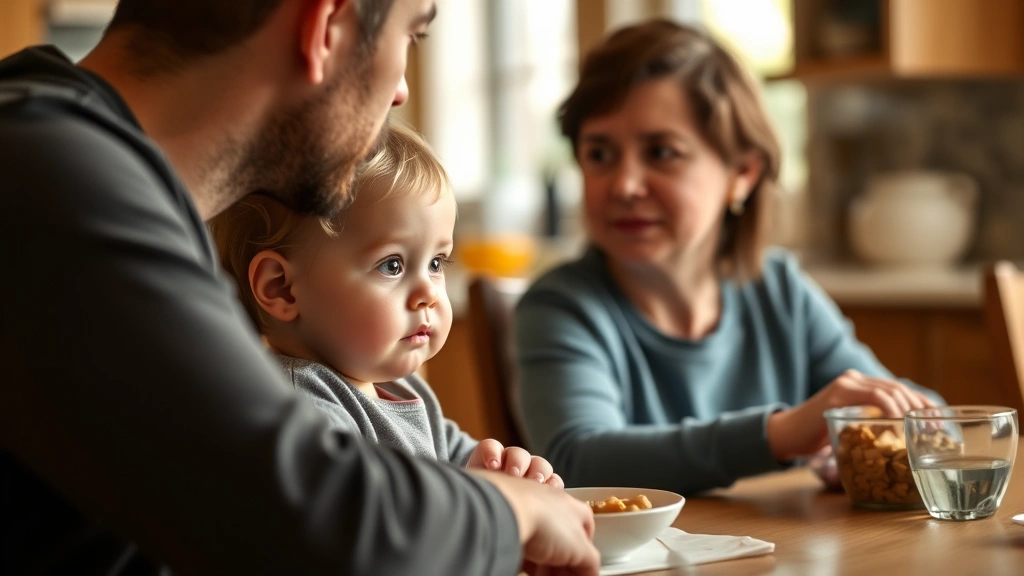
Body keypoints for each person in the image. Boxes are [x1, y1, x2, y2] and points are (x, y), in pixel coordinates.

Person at [0, 1, 598, 575]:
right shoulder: (47, 179)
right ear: (326, 25)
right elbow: (314, 524)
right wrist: (513, 511)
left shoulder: (82, 168)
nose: (400, 93)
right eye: (409, 37)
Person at [514, 19, 941, 495]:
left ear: (742, 173)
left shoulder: (779, 290)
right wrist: (779, 433)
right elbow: (577, 458)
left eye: (660, 152)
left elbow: (915, 413)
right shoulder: (559, 306)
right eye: (599, 154)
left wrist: (874, 431)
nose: (624, 185)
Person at [209, 121, 563, 485]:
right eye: (392, 265)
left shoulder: (404, 386)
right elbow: (367, 523)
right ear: (281, 288)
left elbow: (458, 463)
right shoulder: (302, 410)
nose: (428, 292)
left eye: (436, 263)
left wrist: (500, 470)